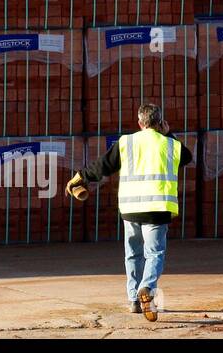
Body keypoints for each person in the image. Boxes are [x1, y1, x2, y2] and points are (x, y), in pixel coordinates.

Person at [64, 103, 193, 321]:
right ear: (159, 123)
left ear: (140, 123)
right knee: (154, 254)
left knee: (132, 254)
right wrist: (168, 133)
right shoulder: (170, 144)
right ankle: (147, 287)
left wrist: (81, 177)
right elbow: (187, 158)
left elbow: (103, 166)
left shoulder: (127, 142)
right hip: (157, 209)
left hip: (131, 209)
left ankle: (134, 300)